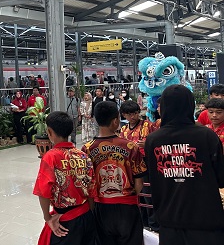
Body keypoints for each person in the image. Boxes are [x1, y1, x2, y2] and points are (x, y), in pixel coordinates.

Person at [145, 85, 224, 245]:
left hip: (169, 220)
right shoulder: (206, 136)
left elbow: (153, 177)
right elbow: (221, 178)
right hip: (205, 222)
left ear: (164, 107)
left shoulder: (153, 140)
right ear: (190, 105)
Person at [82, 101, 146, 245]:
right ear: (116, 120)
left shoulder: (86, 149)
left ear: (95, 120)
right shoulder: (130, 147)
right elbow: (139, 183)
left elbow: (86, 184)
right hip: (127, 208)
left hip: (101, 208)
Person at [33, 111, 97, 245]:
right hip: (86, 215)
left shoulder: (51, 157)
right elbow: (91, 189)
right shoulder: (83, 155)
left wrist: (47, 218)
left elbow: (43, 191)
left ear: (49, 132)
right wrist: (90, 215)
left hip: (66, 221)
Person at [119, 100, 158, 231]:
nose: (133, 116)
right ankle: (143, 223)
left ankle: (153, 224)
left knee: (148, 194)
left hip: (146, 163)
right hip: (130, 165)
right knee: (136, 194)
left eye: (135, 113)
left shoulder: (148, 125)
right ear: (124, 115)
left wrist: (146, 145)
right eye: (129, 114)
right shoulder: (123, 130)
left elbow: (157, 142)